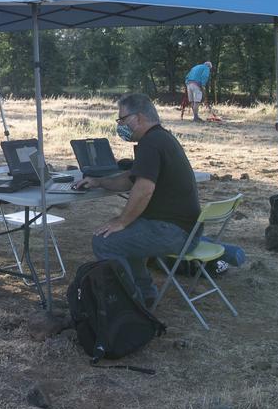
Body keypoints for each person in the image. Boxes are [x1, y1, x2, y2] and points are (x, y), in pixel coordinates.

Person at [74, 93, 200, 306]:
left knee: (105, 241)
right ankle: (145, 293)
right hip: (186, 229)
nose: (120, 124)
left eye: (122, 119)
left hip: (175, 232)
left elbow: (144, 189)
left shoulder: (151, 143)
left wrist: (121, 221)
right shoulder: (160, 138)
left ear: (139, 118)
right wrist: (99, 182)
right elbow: (130, 179)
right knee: (126, 234)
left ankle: (128, 303)